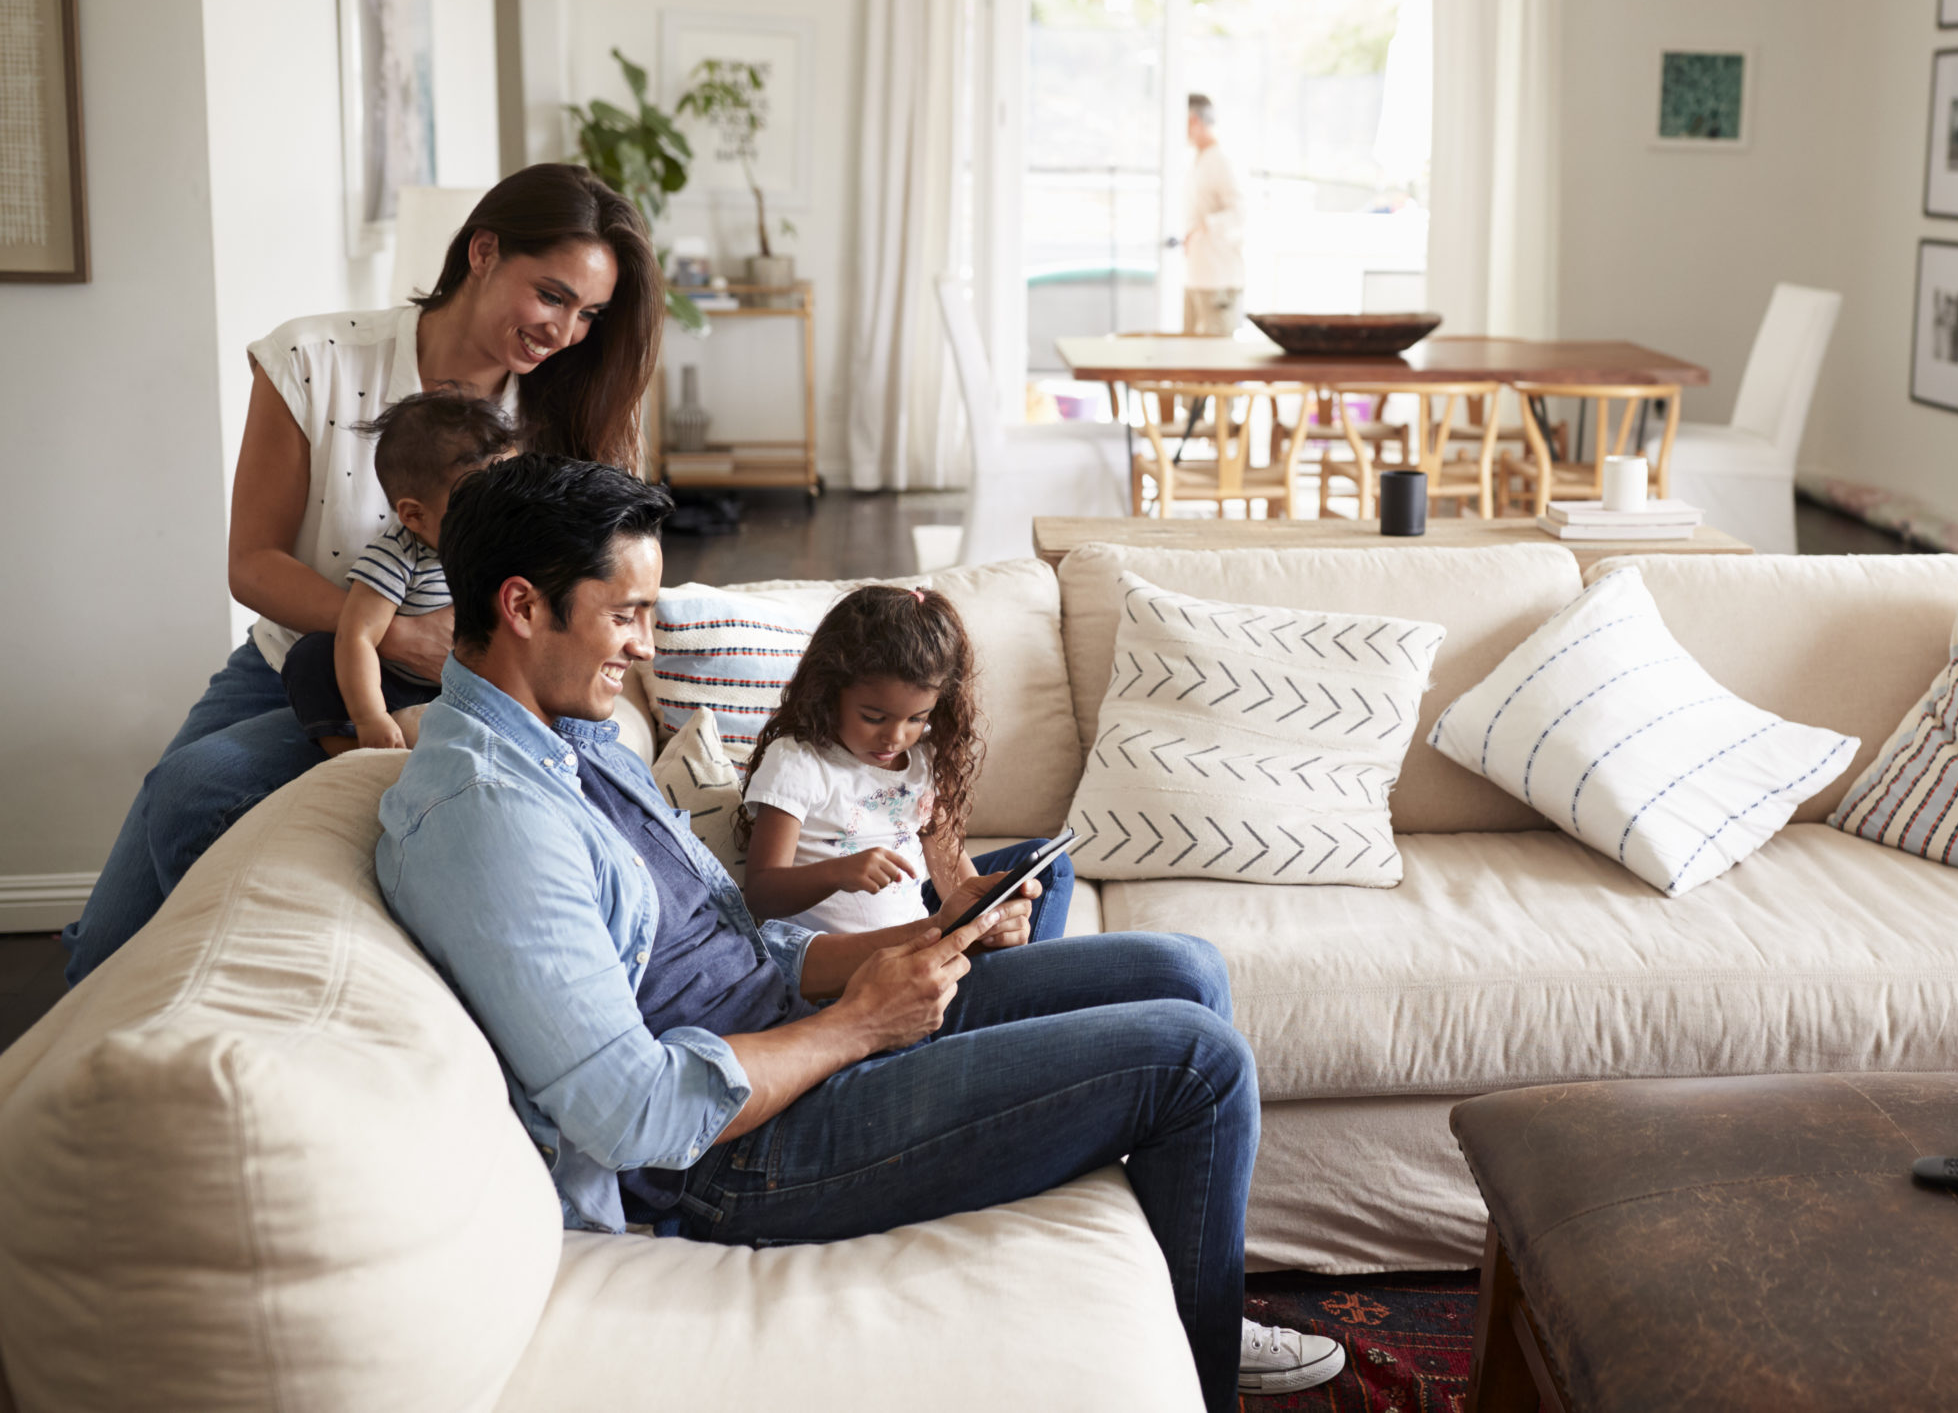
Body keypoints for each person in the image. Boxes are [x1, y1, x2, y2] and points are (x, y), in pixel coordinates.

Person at [374, 456, 1344, 1405]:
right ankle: (1209, 1360)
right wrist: (861, 1026)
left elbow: (738, 945)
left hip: (796, 1032)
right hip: (733, 1153)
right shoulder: (491, 818)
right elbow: (632, 1116)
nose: (642, 647)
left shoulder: (571, 743)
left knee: (1181, 968)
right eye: (624, 615)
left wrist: (903, 948)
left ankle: (1189, 1299)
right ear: (521, 607)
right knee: (1193, 1062)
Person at [63, 163, 663, 984]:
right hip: (292, 657)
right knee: (100, 952)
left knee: (198, 789)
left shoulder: (559, 415)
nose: (565, 331)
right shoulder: (315, 358)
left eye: (589, 313)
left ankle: (239, 998)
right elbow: (254, 562)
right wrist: (399, 631)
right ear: (482, 251)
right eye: (552, 295)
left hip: (446, 692)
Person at [734, 585, 1074, 943]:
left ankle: (1015, 972)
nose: (894, 737)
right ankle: (1020, 980)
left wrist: (989, 920)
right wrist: (838, 872)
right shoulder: (799, 763)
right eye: (873, 717)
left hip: (921, 936)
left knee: (1051, 868)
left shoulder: (921, 759)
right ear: (829, 691)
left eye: (916, 718)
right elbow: (761, 892)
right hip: (855, 961)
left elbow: (955, 880)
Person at [281, 390, 516, 755]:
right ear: (414, 515)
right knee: (314, 654)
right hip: (398, 689)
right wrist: (370, 716)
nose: (501, 517)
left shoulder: (509, 546)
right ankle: (351, 752)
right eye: (478, 505)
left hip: (475, 687)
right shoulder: (399, 556)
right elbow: (357, 636)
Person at [1182, 92, 1248, 337]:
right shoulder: (1196, 160)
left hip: (1218, 279)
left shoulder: (1222, 160)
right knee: (1189, 359)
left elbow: (1240, 212)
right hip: (1195, 277)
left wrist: (1203, 227)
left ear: (1193, 121)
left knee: (1215, 360)